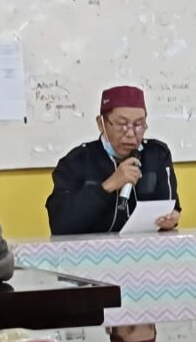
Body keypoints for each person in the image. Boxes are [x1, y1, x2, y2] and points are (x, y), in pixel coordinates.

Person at [45, 86, 180, 235]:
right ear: (101, 123)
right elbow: (60, 224)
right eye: (122, 124)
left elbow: (170, 207)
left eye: (138, 125)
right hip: (91, 249)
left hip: (146, 247)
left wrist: (171, 218)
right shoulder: (77, 162)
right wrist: (108, 186)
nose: (130, 134)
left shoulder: (157, 155)